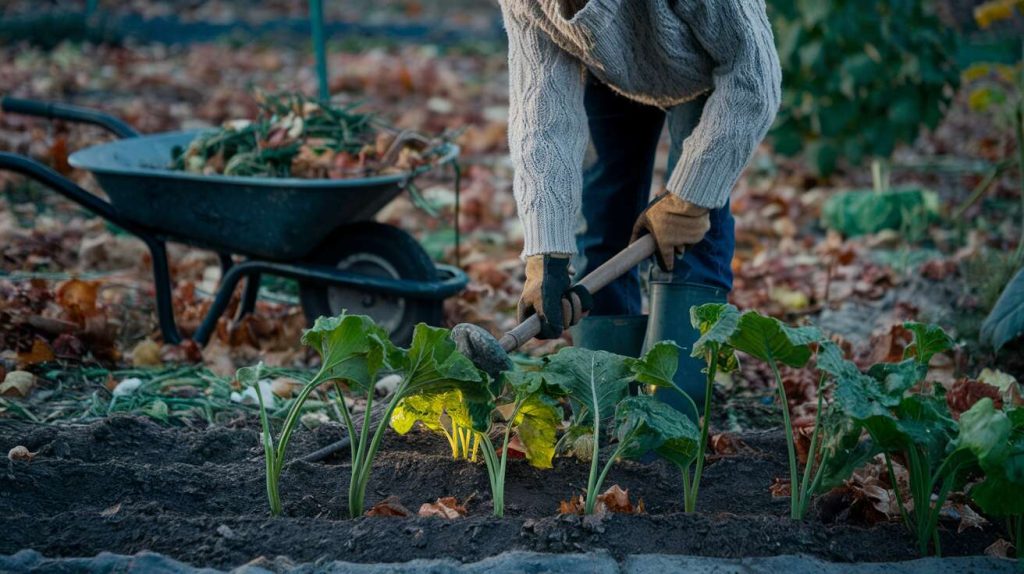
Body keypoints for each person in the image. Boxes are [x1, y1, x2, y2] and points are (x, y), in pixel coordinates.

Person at [501, 0, 781, 417]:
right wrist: (546, 252)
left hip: (712, 61)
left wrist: (691, 197)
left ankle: (672, 421)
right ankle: (604, 416)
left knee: (689, 241)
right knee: (603, 221)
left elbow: (755, 74)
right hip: (608, 65)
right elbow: (540, 112)